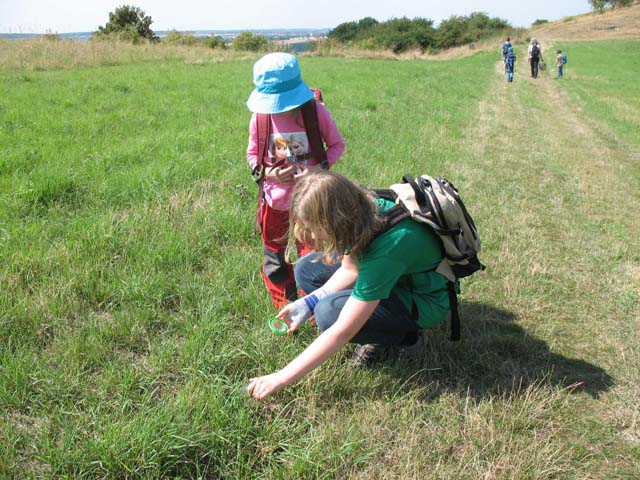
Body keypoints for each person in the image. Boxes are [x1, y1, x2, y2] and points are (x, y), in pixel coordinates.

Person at [247, 171, 451, 400]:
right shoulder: (361, 210)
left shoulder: (388, 248)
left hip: (423, 301)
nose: (309, 235)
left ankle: (409, 339)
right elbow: (350, 269)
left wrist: (281, 377)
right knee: (307, 268)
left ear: (333, 220)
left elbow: (343, 331)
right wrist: (307, 304)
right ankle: (372, 315)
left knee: (328, 314)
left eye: (312, 226)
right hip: (395, 278)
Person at [246, 53, 345, 308]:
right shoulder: (260, 117)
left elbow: (336, 145)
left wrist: (317, 171)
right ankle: (283, 302)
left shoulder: (316, 112)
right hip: (274, 201)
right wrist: (269, 173)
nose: (280, 108)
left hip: (311, 201)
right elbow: (252, 155)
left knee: (311, 255)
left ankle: (311, 303)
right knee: (273, 255)